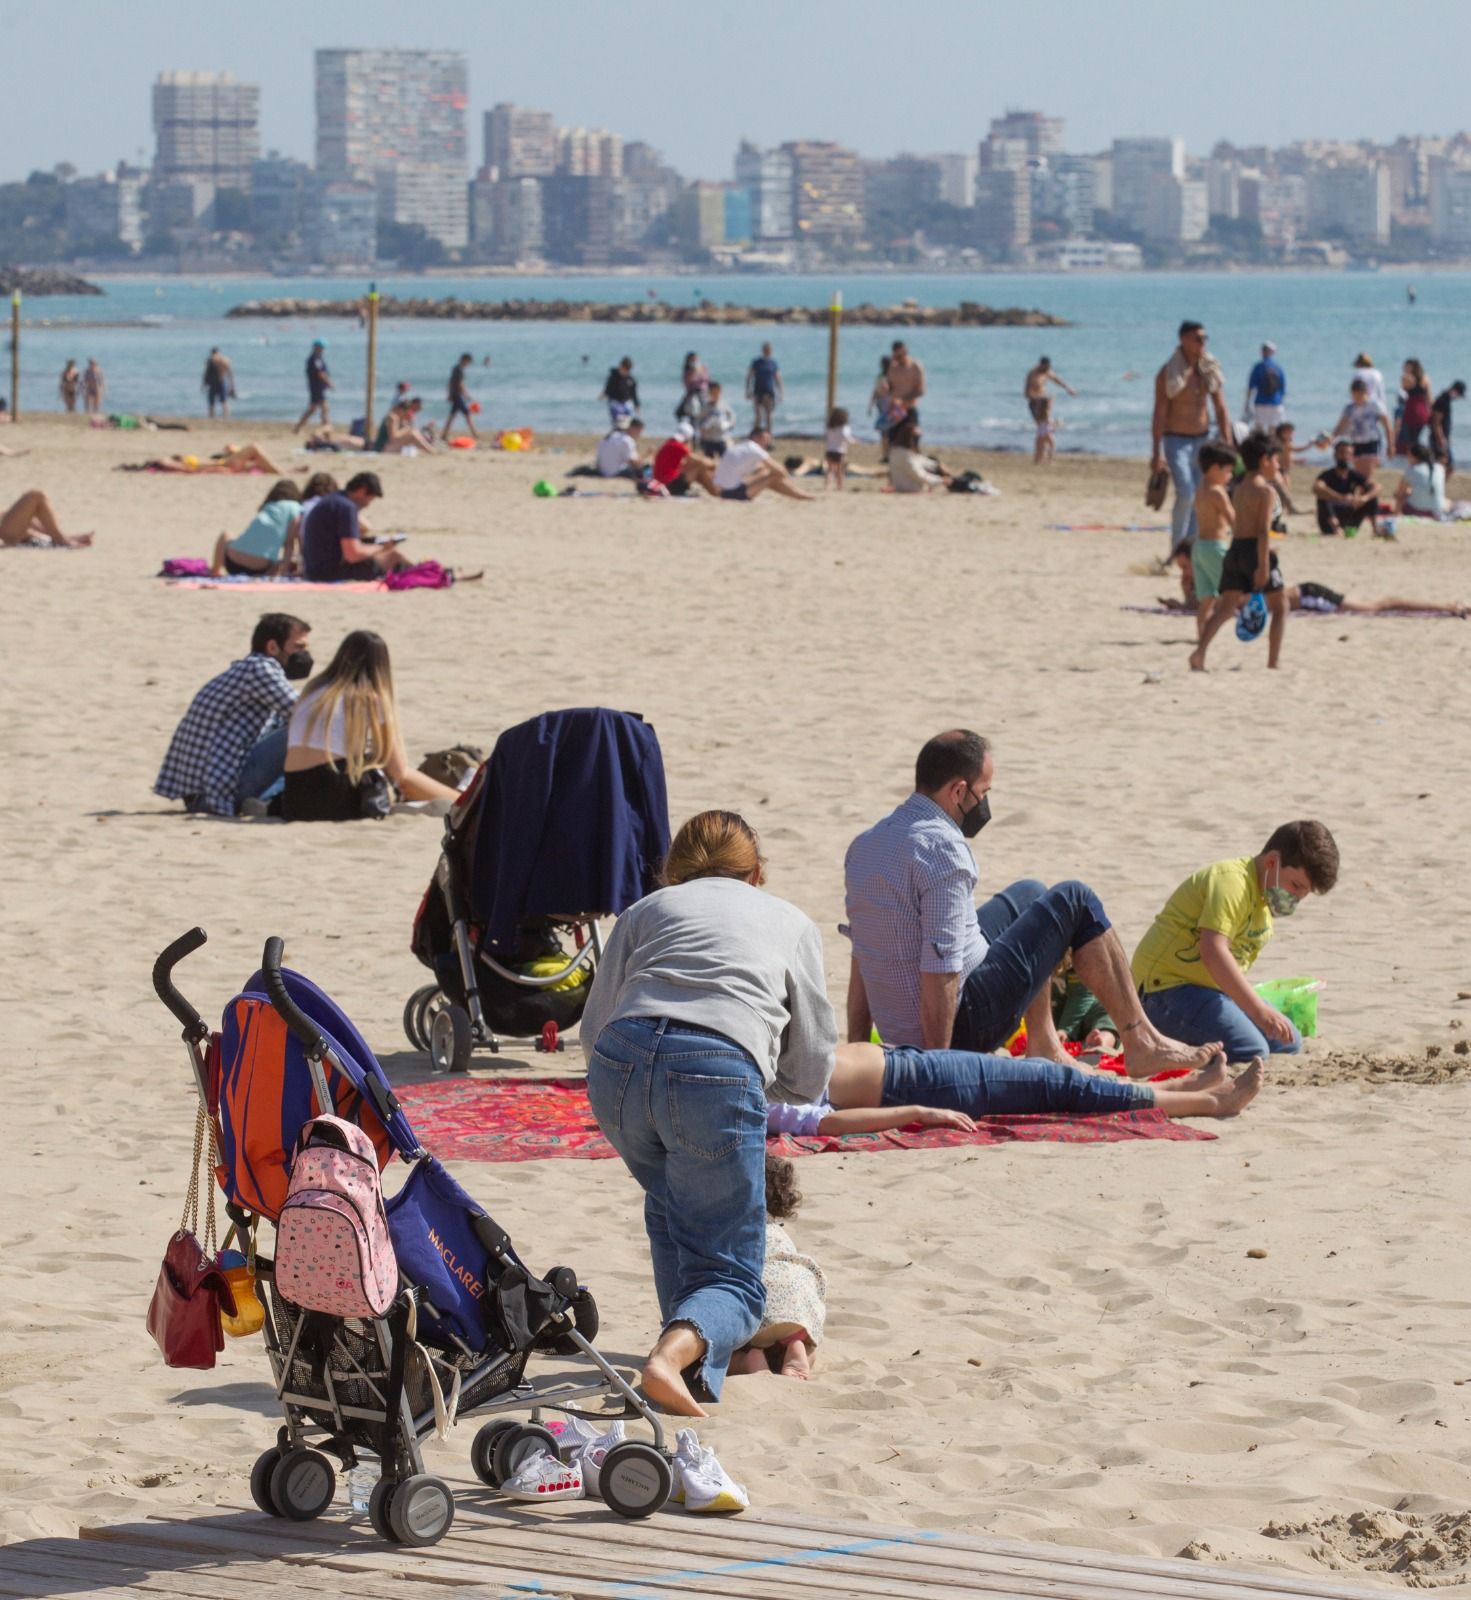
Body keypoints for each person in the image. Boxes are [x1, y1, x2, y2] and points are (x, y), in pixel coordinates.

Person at [580, 809, 837, 1418]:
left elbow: (593, 1031)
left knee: (670, 1198)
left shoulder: (646, 911)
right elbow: (813, 1062)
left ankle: (694, 1357)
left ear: (675, 871)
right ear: (756, 874)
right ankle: (671, 1359)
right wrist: (765, 1084)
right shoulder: (791, 921)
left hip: (619, 1063)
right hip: (717, 1063)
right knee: (738, 1282)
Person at [843, 730, 1223, 1076]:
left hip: (903, 1026)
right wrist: (938, 1071)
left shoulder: (865, 845)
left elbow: (862, 954)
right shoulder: (943, 849)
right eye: (983, 793)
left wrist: (857, 1050)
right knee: (1076, 899)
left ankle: (1044, 1043)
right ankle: (1142, 1041)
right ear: (958, 792)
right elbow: (940, 969)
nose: (984, 804)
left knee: (1031, 893)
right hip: (956, 1027)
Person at [1133, 822, 1340, 1063]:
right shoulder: (1233, 882)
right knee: (1251, 1050)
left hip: (1208, 991)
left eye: (1302, 894)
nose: (1294, 899)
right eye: (1295, 886)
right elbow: (1213, 950)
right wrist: (1257, 1010)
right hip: (1163, 989)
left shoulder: (1263, 903)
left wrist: (1257, 1011)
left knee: (1289, 1042)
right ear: (1272, 862)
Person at [769, 1038, 1263, 1135]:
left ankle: (1190, 1089)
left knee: (1055, 1080)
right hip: (909, 1084)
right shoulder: (754, 1099)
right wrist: (918, 1111)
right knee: (1061, 1085)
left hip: (906, 1065)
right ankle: (1207, 1102)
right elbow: (825, 1121)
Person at [281, 630, 458, 822]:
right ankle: (461, 801)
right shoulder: (369, 697)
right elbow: (400, 774)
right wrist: (460, 799)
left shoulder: (313, 690)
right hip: (333, 801)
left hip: (293, 800)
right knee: (383, 771)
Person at [154, 613, 313, 817]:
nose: (304, 655)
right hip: (213, 796)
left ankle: (267, 801)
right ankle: (272, 800)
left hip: (201, 792)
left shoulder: (248, 670)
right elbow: (305, 715)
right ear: (273, 647)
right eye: (298, 647)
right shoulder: (260, 669)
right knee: (305, 728)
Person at [1191, 431, 1289, 671]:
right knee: (1281, 606)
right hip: (1254, 551)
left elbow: (1241, 524)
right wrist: (1264, 564)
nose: (1278, 465)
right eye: (1276, 460)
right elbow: (1263, 531)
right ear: (1265, 460)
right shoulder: (1265, 491)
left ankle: (1199, 653)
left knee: (1225, 608)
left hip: (1235, 549)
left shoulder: (1240, 486)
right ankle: (1273, 663)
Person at [727, 1158, 826, 1383]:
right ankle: (796, 1346)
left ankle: (748, 1358)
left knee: (713, 1357)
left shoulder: (729, 1229)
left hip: (760, 1302)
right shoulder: (777, 1232)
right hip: (797, 1305)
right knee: (807, 1345)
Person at [1151, 320, 1233, 576]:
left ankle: (1193, 550)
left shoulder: (1208, 370)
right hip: (1176, 440)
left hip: (1203, 439)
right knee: (1185, 492)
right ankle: (1177, 549)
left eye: (1205, 338)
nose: (1203, 343)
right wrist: (1156, 452)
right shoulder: (1170, 373)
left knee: (1201, 496)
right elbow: (1159, 413)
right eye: (1198, 338)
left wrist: (1227, 444)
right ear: (1184, 340)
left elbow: (1220, 408)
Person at [300, 471, 406, 581]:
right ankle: (419, 573)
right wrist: (381, 548)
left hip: (313, 569)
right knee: (392, 557)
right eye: (370, 498)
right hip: (328, 573)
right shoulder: (346, 507)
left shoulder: (334, 500)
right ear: (362, 491)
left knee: (384, 554)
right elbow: (352, 554)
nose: (368, 504)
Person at [1192, 442, 1238, 643]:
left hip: (1199, 547)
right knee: (1230, 595)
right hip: (1215, 546)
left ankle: (1201, 633)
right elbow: (1232, 518)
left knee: (1206, 599)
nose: (1230, 476)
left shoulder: (1200, 488)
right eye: (1228, 471)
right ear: (1214, 469)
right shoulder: (1218, 491)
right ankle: (1211, 633)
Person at [211, 479, 302, 576]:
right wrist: (284, 572)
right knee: (277, 560)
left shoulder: (268, 507)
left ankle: (215, 571)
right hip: (260, 567)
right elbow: (289, 545)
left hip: (232, 563)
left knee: (225, 534)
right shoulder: (295, 508)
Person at [712, 427, 815, 501]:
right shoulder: (755, 448)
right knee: (774, 476)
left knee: (766, 472)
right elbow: (780, 470)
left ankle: (800, 495)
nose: (767, 443)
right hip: (733, 494)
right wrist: (791, 482)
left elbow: (760, 468)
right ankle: (802, 495)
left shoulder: (741, 447)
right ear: (756, 438)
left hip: (721, 491)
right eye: (765, 440)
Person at [1325, 378, 1393, 487]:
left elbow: (1387, 426)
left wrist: (1390, 445)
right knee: (1358, 476)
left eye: (1359, 395)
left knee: (1366, 476)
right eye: (1354, 395)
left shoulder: (1375, 405)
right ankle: (1362, 498)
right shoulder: (1349, 408)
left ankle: (1367, 498)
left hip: (1371, 442)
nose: (1357, 398)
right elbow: (1341, 426)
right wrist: (1332, 438)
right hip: (1355, 443)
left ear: (1366, 393)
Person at [1313, 437, 1383, 538]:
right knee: (1323, 498)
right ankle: (1336, 528)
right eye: (1342, 453)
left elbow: (1377, 487)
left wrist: (1363, 498)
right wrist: (1340, 497)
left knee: (1371, 496)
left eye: (1348, 454)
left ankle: (1375, 528)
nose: (1345, 456)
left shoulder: (1353, 474)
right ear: (1335, 454)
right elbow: (1317, 487)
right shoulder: (1328, 474)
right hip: (1329, 523)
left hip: (1350, 519)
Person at [1287, 580, 1468, 618]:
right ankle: (1448, 606)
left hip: (1312, 596)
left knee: (1378, 607)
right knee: (1380, 605)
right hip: (1308, 592)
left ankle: (1448, 607)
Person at [0, 489, 93, 548]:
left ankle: (60, 537)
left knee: (33, 501)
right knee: (35, 496)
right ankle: (60, 539)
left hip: (8, 532)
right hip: (7, 536)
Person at [1025, 356, 1075, 464]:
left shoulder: (1047, 372)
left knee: (1044, 431)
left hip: (1044, 404)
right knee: (1043, 432)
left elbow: (1057, 380)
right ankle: (1040, 457)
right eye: (1045, 367)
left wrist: (1068, 389)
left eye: (1048, 367)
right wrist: (1039, 398)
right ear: (1040, 365)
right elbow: (1027, 393)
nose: (1047, 369)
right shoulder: (1032, 374)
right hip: (1036, 404)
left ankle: (1040, 457)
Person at [886, 413, 953, 492]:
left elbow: (921, 461)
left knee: (932, 460)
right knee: (933, 466)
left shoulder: (896, 450)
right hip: (910, 487)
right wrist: (941, 480)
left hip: (901, 484)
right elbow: (919, 475)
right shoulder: (906, 455)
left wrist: (938, 465)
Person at [650, 425, 717, 496]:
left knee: (695, 467)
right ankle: (716, 492)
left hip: (661, 482)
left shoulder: (669, 443)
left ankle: (715, 491)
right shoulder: (678, 446)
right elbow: (700, 461)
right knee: (699, 467)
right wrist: (714, 465)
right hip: (669, 485)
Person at [1394, 442, 1447, 520]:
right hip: (1437, 511)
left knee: (1403, 493)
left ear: (1415, 457)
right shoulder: (1440, 468)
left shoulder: (1412, 470)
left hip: (1417, 511)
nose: (1407, 458)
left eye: (1408, 455)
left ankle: (1396, 513)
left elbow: (1400, 493)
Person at [1244, 341, 1287, 432]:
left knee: (1259, 430)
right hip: (1276, 402)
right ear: (1273, 352)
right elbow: (1283, 388)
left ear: (1262, 352)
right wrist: (1282, 402)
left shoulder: (1258, 367)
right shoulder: (1278, 367)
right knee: (1273, 430)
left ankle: (1259, 446)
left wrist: (1247, 403)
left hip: (1260, 402)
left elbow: (1251, 387)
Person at [1397, 359, 1434, 458]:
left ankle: (1416, 457)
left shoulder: (1407, 378)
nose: (1404, 369)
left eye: (1406, 367)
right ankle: (1419, 456)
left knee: (1411, 439)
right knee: (1415, 437)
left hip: (1412, 410)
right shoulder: (1425, 378)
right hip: (1422, 410)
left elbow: (1403, 390)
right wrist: (1432, 411)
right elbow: (1429, 398)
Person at [294, 340, 332, 432]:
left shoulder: (317, 359)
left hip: (317, 387)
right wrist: (329, 383)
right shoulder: (315, 359)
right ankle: (326, 428)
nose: (323, 350)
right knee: (325, 408)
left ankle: (298, 427)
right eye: (322, 348)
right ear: (317, 348)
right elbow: (320, 373)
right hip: (316, 388)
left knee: (313, 409)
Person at [886, 341, 926, 426]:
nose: (899, 358)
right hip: (894, 410)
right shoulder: (892, 367)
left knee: (914, 433)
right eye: (897, 356)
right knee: (890, 437)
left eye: (901, 355)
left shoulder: (915, 366)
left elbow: (921, 390)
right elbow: (889, 388)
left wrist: (903, 400)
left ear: (906, 351)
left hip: (910, 408)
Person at [745, 342, 782, 431]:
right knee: (758, 416)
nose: (768, 351)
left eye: (769, 350)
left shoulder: (773, 363)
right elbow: (749, 376)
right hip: (757, 392)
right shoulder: (756, 362)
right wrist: (748, 390)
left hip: (769, 392)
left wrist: (781, 393)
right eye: (766, 349)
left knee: (769, 416)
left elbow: (778, 378)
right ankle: (754, 435)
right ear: (762, 350)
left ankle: (769, 436)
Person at [1432, 380, 1465, 471]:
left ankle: (1438, 484)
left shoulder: (1446, 400)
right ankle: (1436, 484)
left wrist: (1446, 437)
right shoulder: (1442, 401)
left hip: (1442, 437)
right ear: (1454, 390)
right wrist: (1441, 438)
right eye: (1458, 395)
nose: (1457, 398)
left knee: (1443, 465)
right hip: (1438, 438)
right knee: (1446, 465)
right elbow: (1436, 422)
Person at [696, 381, 735, 457]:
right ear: (709, 393)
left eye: (718, 393)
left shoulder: (724, 405)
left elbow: (732, 417)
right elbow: (699, 421)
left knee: (725, 459)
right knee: (709, 459)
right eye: (713, 393)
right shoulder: (705, 407)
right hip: (708, 439)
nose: (716, 395)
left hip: (721, 438)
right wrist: (703, 427)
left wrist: (728, 424)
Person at [444, 353, 477, 441]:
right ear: (465, 360)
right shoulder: (459, 370)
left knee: (452, 415)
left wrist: (449, 394)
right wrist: (466, 395)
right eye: (468, 362)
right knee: (467, 414)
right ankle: (475, 434)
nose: (468, 364)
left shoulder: (455, 368)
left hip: (454, 394)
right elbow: (460, 384)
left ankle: (444, 434)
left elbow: (450, 382)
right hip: (458, 395)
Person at [600, 357, 640, 428]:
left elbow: (634, 394)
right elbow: (608, 387)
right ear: (620, 366)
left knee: (627, 422)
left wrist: (637, 405)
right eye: (624, 368)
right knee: (617, 422)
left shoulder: (630, 379)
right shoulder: (613, 376)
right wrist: (604, 394)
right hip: (615, 402)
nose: (625, 371)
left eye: (627, 369)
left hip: (626, 402)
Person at [824, 406, 854, 491]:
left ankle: (827, 485)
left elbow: (827, 438)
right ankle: (840, 486)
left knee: (830, 470)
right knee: (840, 471)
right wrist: (854, 441)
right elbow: (846, 437)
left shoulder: (830, 427)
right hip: (839, 450)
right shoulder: (844, 427)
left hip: (829, 450)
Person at [676, 351, 710, 424]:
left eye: (696, 359)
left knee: (703, 412)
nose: (695, 361)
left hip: (703, 392)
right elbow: (686, 383)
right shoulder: (687, 370)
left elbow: (707, 380)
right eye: (693, 360)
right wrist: (692, 372)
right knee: (681, 413)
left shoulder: (703, 367)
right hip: (691, 393)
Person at [203, 348, 234, 419]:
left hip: (216, 383)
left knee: (216, 402)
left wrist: (204, 383)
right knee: (221, 401)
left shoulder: (211, 360)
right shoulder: (224, 360)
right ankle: (224, 416)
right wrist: (232, 386)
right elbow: (230, 374)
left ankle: (214, 416)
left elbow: (206, 373)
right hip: (220, 382)